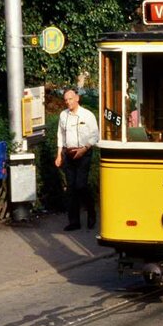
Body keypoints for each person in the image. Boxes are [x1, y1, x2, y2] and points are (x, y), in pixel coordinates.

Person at [55, 88, 100, 231]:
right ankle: (74, 221)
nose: (68, 102)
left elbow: (95, 135)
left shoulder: (87, 115)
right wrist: (58, 154)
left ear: (77, 98)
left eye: (70, 99)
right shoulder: (63, 116)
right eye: (66, 100)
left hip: (84, 152)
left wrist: (84, 149)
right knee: (71, 188)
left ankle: (91, 212)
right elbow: (60, 135)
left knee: (81, 185)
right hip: (68, 153)